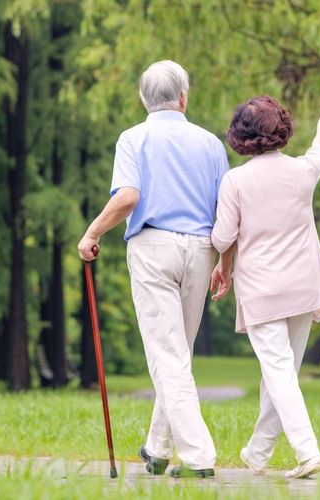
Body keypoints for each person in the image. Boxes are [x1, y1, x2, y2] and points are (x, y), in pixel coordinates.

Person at [77, 60, 229, 479]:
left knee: (168, 356)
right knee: (177, 354)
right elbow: (226, 210)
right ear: (183, 98)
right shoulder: (211, 143)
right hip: (201, 249)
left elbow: (128, 197)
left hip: (153, 248)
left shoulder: (133, 138)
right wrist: (225, 261)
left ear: (144, 100)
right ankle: (158, 449)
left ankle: (198, 457)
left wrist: (92, 233)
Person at [209, 95, 320, 479]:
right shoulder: (302, 171)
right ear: (281, 128)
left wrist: (223, 262)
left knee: (279, 373)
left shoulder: (235, 181)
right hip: (303, 287)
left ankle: (307, 452)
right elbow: (319, 150)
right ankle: (258, 452)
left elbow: (222, 237)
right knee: (282, 373)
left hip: (262, 290)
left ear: (240, 135)